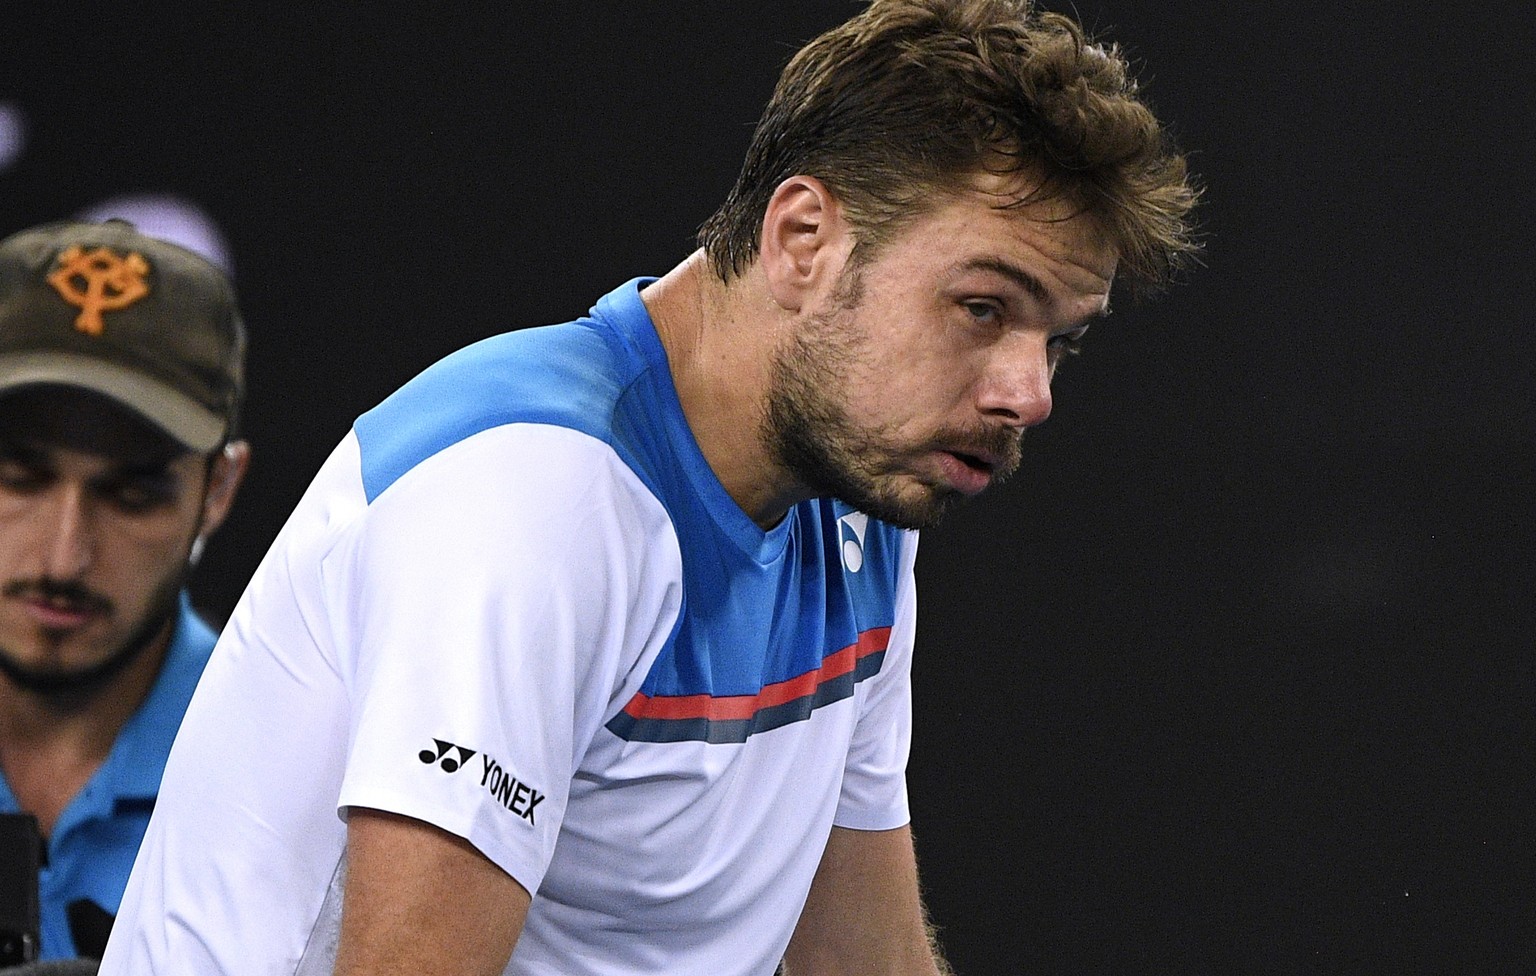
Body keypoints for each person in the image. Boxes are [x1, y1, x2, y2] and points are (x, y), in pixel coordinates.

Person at [103, 1, 1199, 973]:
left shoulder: (864, 495)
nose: (1028, 392)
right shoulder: (532, 500)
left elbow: (857, 955)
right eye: (982, 308)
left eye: (1060, 340)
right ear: (803, 239)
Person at [0, 218, 250, 962]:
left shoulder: (307, 773)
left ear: (220, 489)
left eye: (131, 496)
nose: (64, 556)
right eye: (19, 477)